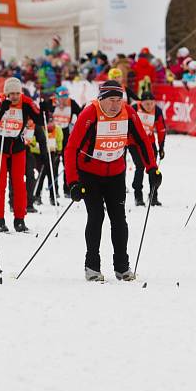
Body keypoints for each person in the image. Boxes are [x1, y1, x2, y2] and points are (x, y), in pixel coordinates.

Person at [64, 81, 161, 281]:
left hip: (116, 173)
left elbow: (143, 140)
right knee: (96, 216)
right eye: (111, 100)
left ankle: (122, 267)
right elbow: (71, 148)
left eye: (119, 100)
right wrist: (73, 182)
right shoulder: (89, 114)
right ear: (101, 99)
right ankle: (92, 267)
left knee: (119, 219)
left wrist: (152, 169)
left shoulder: (129, 113)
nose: (115, 105)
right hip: (89, 174)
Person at [0, 77, 45, 233]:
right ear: (6, 93)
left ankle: (20, 219)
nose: (14, 97)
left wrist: (44, 108)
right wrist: (2, 110)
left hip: (16, 145)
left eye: (17, 93)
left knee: (19, 183)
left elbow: (39, 119)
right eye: (11, 94)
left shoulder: (25, 101)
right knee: (0, 183)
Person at [130, 91, 166, 206]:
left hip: (149, 143)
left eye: (152, 103)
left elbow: (161, 130)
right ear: (141, 102)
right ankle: (138, 196)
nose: (149, 106)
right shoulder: (134, 108)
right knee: (140, 166)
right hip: (133, 143)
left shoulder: (157, 111)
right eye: (147, 104)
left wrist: (161, 147)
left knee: (152, 168)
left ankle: (153, 195)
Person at [51, 85, 82, 197]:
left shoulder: (72, 103)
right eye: (62, 97)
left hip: (66, 135)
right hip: (53, 137)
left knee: (67, 164)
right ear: (56, 96)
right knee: (53, 164)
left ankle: (67, 189)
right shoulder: (51, 103)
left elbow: (81, 115)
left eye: (66, 97)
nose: (64, 100)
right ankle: (54, 191)